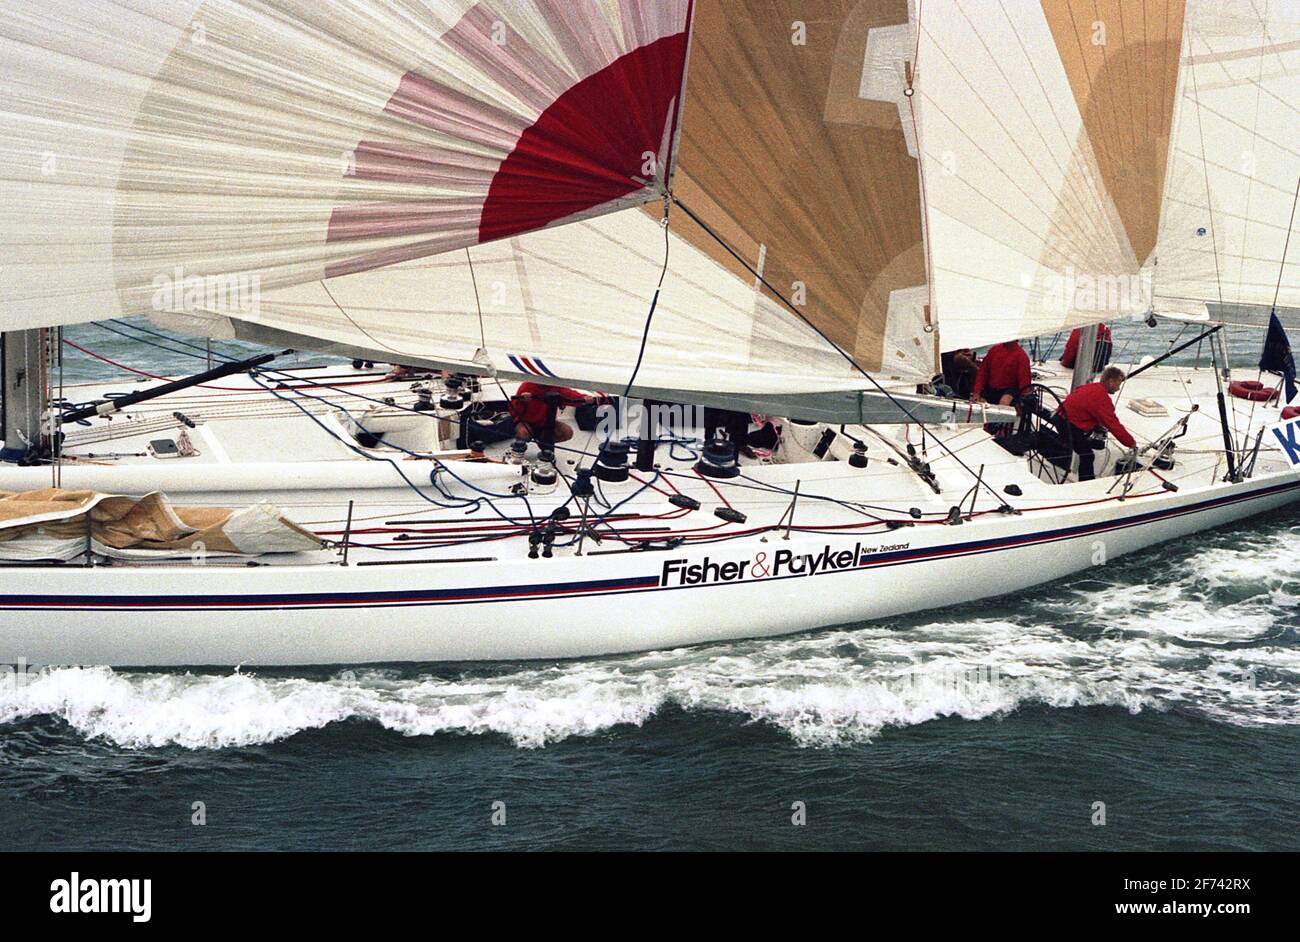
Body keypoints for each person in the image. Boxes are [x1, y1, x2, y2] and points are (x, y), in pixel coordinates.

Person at [1055, 366, 1136, 481]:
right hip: (1068, 426)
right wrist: (1130, 442)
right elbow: (1113, 424)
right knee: (1087, 455)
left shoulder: (1089, 387)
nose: (1118, 389)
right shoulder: (1102, 398)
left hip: (1060, 418)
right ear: (1111, 381)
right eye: (1118, 384)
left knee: (1084, 448)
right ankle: (1086, 483)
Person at [508, 382, 597, 445]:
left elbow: (571, 396)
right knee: (523, 433)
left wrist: (585, 399)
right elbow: (513, 411)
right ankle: (518, 450)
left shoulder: (556, 387)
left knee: (567, 432)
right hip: (525, 422)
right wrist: (521, 401)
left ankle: (544, 442)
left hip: (546, 423)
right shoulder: (526, 386)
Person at [971, 340, 1031, 406]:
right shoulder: (994, 350)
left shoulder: (1021, 356)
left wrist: (1022, 403)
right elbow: (983, 373)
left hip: (1010, 390)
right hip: (991, 388)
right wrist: (977, 392)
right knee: (979, 403)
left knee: (1004, 402)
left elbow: (1024, 382)